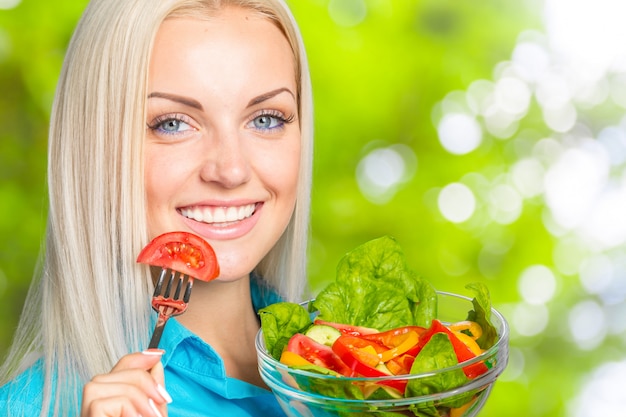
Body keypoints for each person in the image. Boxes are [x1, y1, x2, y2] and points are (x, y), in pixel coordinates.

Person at [0, 0, 314, 415]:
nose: (232, 170)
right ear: (96, 150)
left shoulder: (366, 374)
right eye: (172, 124)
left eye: (266, 118)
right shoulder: (34, 407)